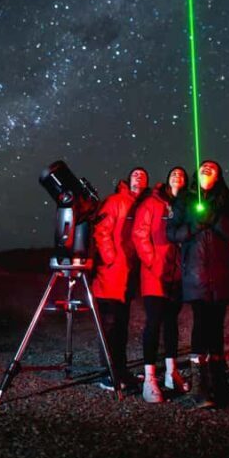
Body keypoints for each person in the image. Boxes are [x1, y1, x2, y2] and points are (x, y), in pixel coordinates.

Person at [167, 160, 229, 408]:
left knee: (217, 329)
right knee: (201, 326)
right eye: (202, 167)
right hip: (196, 276)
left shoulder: (226, 201)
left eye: (212, 167)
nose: (206, 168)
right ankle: (200, 388)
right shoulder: (185, 200)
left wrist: (215, 220)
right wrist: (195, 225)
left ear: (219, 175)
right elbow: (172, 233)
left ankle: (220, 385)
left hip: (220, 275)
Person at [132, 166, 190, 403]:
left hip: (178, 274)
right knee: (154, 323)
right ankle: (149, 378)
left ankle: (171, 371)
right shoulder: (153, 203)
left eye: (182, 175)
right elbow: (139, 233)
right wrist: (153, 261)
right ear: (167, 179)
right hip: (156, 273)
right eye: (173, 174)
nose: (177, 177)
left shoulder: (185, 206)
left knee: (171, 324)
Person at [92, 167, 149, 390]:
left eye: (143, 176)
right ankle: (108, 374)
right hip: (111, 274)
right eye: (135, 174)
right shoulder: (116, 200)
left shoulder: (143, 204)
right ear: (128, 179)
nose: (138, 177)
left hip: (128, 276)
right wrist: (110, 258)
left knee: (122, 326)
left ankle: (121, 371)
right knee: (110, 325)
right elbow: (101, 229)